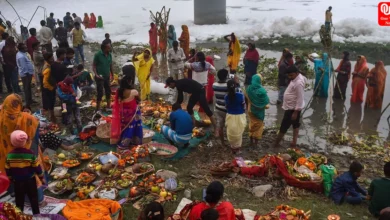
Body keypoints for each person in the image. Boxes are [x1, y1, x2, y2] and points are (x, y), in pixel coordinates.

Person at [5, 130, 43, 214]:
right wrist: (41, 177)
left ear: (12, 143)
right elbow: (37, 167)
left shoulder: (9, 156)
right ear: (25, 142)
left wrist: (11, 179)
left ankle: (19, 216)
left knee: (19, 201)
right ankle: (36, 215)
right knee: (33, 199)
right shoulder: (30, 154)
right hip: (30, 180)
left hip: (17, 182)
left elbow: (8, 169)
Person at [274, 65, 306, 148]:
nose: (289, 77)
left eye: (291, 75)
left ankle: (277, 143)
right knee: (296, 124)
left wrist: (295, 112)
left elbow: (300, 98)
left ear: (297, 73)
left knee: (284, 126)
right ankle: (294, 142)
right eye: (288, 75)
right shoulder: (296, 78)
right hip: (293, 107)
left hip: (292, 108)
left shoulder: (299, 83)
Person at [110, 73, 143, 149]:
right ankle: (134, 142)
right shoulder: (133, 91)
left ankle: (123, 142)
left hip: (123, 113)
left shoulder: (119, 91)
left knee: (126, 127)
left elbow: (118, 102)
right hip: (132, 113)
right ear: (129, 82)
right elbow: (139, 99)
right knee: (134, 126)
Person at [212, 69, 236, 143]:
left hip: (218, 108)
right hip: (227, 109)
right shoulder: (228, 86)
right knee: (230, 126)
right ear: (226, 76)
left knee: (220, 126)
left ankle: (222, 142)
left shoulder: (214, 85)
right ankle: (231, 141)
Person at [247, 74, 270, 147]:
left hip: (250, 110)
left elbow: (247, 99)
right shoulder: (262, 91)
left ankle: (251, 141)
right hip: (259, 113)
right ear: (260, 80)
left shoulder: (249, 88)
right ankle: (255, 144)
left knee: (252, 124)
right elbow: (265, 102)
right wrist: (266, 106)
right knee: (259, 127)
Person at [224, 80, 246, 154]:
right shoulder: (240, 95)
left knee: (231, 132)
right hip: (239, 115)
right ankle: (238, 149)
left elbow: (226, 107)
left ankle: (232, 148)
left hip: (230, 116)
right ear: (235, 86)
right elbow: (243, 106)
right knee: (239, 133)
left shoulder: (226, 97)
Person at [93, 42, 113, 111]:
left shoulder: (110, 55)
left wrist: (112, 74)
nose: (110, 48)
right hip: (100, 77)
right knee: (100, 92)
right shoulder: (98, 55)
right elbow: (94, 65)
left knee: (108, 91)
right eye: (108, 47)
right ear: (104, 48)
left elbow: (110, 65)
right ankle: (98, 108)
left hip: (107, 76)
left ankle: (108, 106)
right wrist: (96, 74)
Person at [16, 43, 35, 108]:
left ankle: (30, 100)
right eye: (25, 47)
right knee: (26, 89)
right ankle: (27, 104)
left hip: (27, 74)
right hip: (26, 75)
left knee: (28, 88)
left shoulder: (22, 54)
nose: (27, 48)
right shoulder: (21, 56)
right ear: (22, 49)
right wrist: (28, 74)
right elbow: (24, 67)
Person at [41, 52, 57, 123]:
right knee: (51, 103)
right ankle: (52, 117)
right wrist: (51, 88)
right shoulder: (47, 69)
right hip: (48, 88)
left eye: (52, 57)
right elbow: (45, 82)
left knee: (50, 102)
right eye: (51, 58)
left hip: (48, 87)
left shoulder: (48, 65)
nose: (52, 59)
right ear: (48, 59)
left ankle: (51, 116)